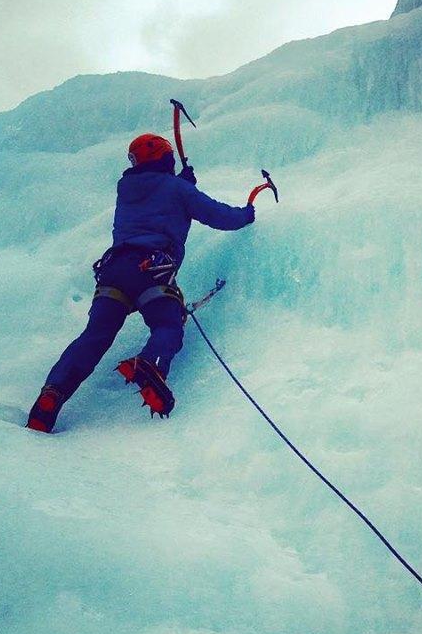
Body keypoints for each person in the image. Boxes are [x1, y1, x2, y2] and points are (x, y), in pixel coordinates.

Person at [26, 133, 255, 432]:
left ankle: (52, 393)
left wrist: (182, 185)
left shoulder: (127, 189)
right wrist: (247, 212)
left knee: (95, 337)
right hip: (151, 270)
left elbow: (156, 198)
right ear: (164, 159)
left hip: (113, 271)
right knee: (168, 324)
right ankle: (151, 365)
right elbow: (219, 216)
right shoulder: (177, 189)